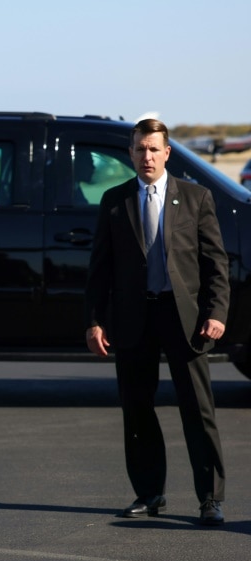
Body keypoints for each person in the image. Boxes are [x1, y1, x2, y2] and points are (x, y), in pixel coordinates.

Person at [85, 118, 228, 525]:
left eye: (153, 149)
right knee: (137, 409)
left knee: (197, 410)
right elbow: (100, 270)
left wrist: (217, 313)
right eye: (139, 149)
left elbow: (215, 263)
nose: (146, 156)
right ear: (129, 153)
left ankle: (210, 499)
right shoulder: (115, 201)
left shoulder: (196, 198)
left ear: (167, 153)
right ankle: (149, 493)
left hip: (184, 318)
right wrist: (95, 321)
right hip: (133, 318)